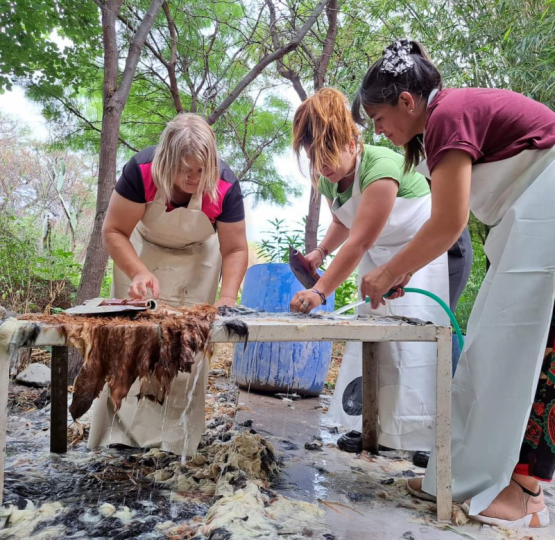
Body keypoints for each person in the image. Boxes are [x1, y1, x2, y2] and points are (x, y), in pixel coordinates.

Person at [353, 39, 555, 528]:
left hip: (546, 208)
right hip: (526, 220)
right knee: (493, 346)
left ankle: (529, 491)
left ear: (407, 101)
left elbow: (448, 223)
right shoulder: (440, 121)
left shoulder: (448, 113)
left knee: (536, 348)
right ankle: (462, 473)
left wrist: (388, 271)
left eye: (379, 119)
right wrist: (398, 270)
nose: (379, 130)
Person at [289, 88, 470, 452]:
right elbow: (345, 220)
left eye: (328, 153)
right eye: (313, 156)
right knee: (370, 333)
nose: (322, 164)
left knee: (416, 340)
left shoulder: (381, 167)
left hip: (428, 248)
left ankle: (426, 437)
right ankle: (368, 423)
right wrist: (321, 251)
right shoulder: (326, 177)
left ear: (353, 142)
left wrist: (319, 291)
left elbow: (359, 241)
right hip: (378, 250)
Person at [88, 113, 248, 456]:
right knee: (131, 341)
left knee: (186, 345)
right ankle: (120, 438)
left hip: (199, 258)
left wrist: (228, 296)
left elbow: (234, 249)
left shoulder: (224, 185)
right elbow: (114, 231)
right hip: (142, 250)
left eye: (200, 171)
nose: (193, 179)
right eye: (184, 170)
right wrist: (138, 272)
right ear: (166, 161)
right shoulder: (141, 171)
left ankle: (175, 444)